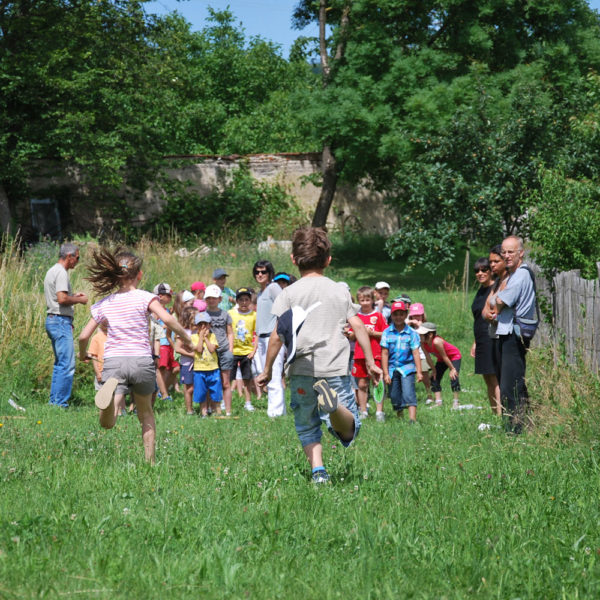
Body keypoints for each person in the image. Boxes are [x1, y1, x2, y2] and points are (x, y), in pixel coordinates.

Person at [257, 227, 382, 484]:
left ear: (293, 259)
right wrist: (371, 362)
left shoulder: (288, 292)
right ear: (328, 260)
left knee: (306, 424)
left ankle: (318, 472)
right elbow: (359, 326)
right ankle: (333, 407)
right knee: (349, 430)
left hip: (301, 370)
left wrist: (267, 370)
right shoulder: (338, 290)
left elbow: (277, 335)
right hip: (333, 368)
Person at [78, 247, 193, 464]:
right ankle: (149, 463)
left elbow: (84, 336)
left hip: (114, 361)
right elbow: (168, 320)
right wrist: (187, 339)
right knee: (146, 413)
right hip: (141, 360)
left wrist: (83, 354)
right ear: (139, 274)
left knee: (107, 423)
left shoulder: (105, 303)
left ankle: (108, 406)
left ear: (115, 275)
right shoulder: (145, 298)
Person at [493, 236, 537, 433]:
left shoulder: (520, 275)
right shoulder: (515, 274)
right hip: (509, 333)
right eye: (504, 252)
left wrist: (498, 301)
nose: (507, 256)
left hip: (513, 334)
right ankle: (522, 423)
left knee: (510, 385)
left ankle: (515, 428)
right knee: (514, 381)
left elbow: (499, 302)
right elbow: (496, 302)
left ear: (521, 253)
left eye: (511, 252)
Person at [44, 242, 88, 408]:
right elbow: (62, 299)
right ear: (69, 256)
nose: (77, 261)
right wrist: (80, 300)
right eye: (77, 258)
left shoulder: (52, 270)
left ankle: (55, 402)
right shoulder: (62, 272)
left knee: (60, 363)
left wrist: (73, 295)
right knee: (67, 364)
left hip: (54, 320)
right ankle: (59, 403)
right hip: (60, 321)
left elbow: (59, 296)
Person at [348, 286, 387, 420]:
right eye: (362, 300)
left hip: (375, 354)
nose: (365, 303)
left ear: (372, 300)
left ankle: (379, 412)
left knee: (377, 382)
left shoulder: (378, 316)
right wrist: (355, 333)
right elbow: (351, 336)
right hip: (359, 355)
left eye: (367, 300)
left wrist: (372, 333)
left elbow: (386, 334)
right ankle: (363, 411)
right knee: (361, 384)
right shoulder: (356, 317)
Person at [253, 259, 286, 417]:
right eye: (257, 272)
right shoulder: (261, 292)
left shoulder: (273, 288)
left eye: (263, 272)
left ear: (269, 273)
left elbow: (284, 309)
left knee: (274, 374)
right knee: (265, 374)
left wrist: (277, 331)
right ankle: (274, 409)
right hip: (261, 338)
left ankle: (276, 413)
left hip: (273, 338)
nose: (260, 274)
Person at [381, 301, 423, 422]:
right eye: (395, 314)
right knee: (394, 395)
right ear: (391, 315)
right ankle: (400, 417)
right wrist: (385, 373)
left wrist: (419, 371)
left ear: (406, 315)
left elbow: (416, 352)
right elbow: (384, 353)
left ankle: (412, 419)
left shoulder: (412, 333)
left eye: (401, 314)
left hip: (407, 367)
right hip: (392, 368)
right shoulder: (387, 333)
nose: (398, 317)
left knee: (408, 392)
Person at [470, 257, 501, 415]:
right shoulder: (481, 291)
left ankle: (502, 414)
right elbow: (478, 318)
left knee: (495, 378)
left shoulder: (495, 289)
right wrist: (475, 342)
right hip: (481, 338)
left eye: (484, 270)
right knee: (487, 378)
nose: (480, 273)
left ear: (490, 271)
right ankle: (495, 414)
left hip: (492, 337)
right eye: (477, 271)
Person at [204, 284, 234, 414]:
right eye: (209, 298)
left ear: (220, 299)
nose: (211, 300)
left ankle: (228, 410)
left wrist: (230, 349)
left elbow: (230, 333)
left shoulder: (225, 314)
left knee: (226, 382)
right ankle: (211, 408)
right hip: (210, 352)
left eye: (214, 298)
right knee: (211, 381)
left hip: (224, 350)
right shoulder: (203, 315)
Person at [417, 322, 462, 409]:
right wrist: (434, 370)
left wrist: (452, 369)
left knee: (454, 377)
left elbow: (445, 356)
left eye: (422, 334)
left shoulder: (437, 342)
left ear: (430, 335)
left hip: (454, 356)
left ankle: (456, 402)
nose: (419, 336)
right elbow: (428, 357)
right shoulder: (423, 344)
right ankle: (438, 402)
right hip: (442, 359)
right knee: (434, 378)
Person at [229, 287, 258, 414]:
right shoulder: (231, 313)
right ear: (237, 301)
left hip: (247, 351)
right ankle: (225, 402)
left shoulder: (254, 315)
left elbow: (256, 333)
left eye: (246, 300)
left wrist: (254, 350)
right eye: (241, 300)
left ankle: (248, 402)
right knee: (229, 378)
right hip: (232, 351)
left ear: (250, 301)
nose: (244, 302)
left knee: (247, 378)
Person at [191, 312, 222, 417]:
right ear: (196, 326)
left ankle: (217, 412)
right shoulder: (193, 337)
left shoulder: (212, 336)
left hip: (213, 368)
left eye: (205, 324)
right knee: (201, 392)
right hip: (199, 369)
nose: (203, 327)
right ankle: (203, 413)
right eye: (200, 324)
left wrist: (206, 338)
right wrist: (201, 337)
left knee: (216, 391)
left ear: (209, 325)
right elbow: (199, 349)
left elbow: (212, 349)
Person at [406, 302, 433, 404]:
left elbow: (428, 341)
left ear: (422, 315)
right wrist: (409, 322)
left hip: (422, 355)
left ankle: (429, 395)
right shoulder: (408, 326)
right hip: (409, 356)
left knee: (425, 375)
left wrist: (420, 326)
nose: (416, 317)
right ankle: (409, 397)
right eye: (414, 315)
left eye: (419, 315)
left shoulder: (425, 326)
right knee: (409, 377)